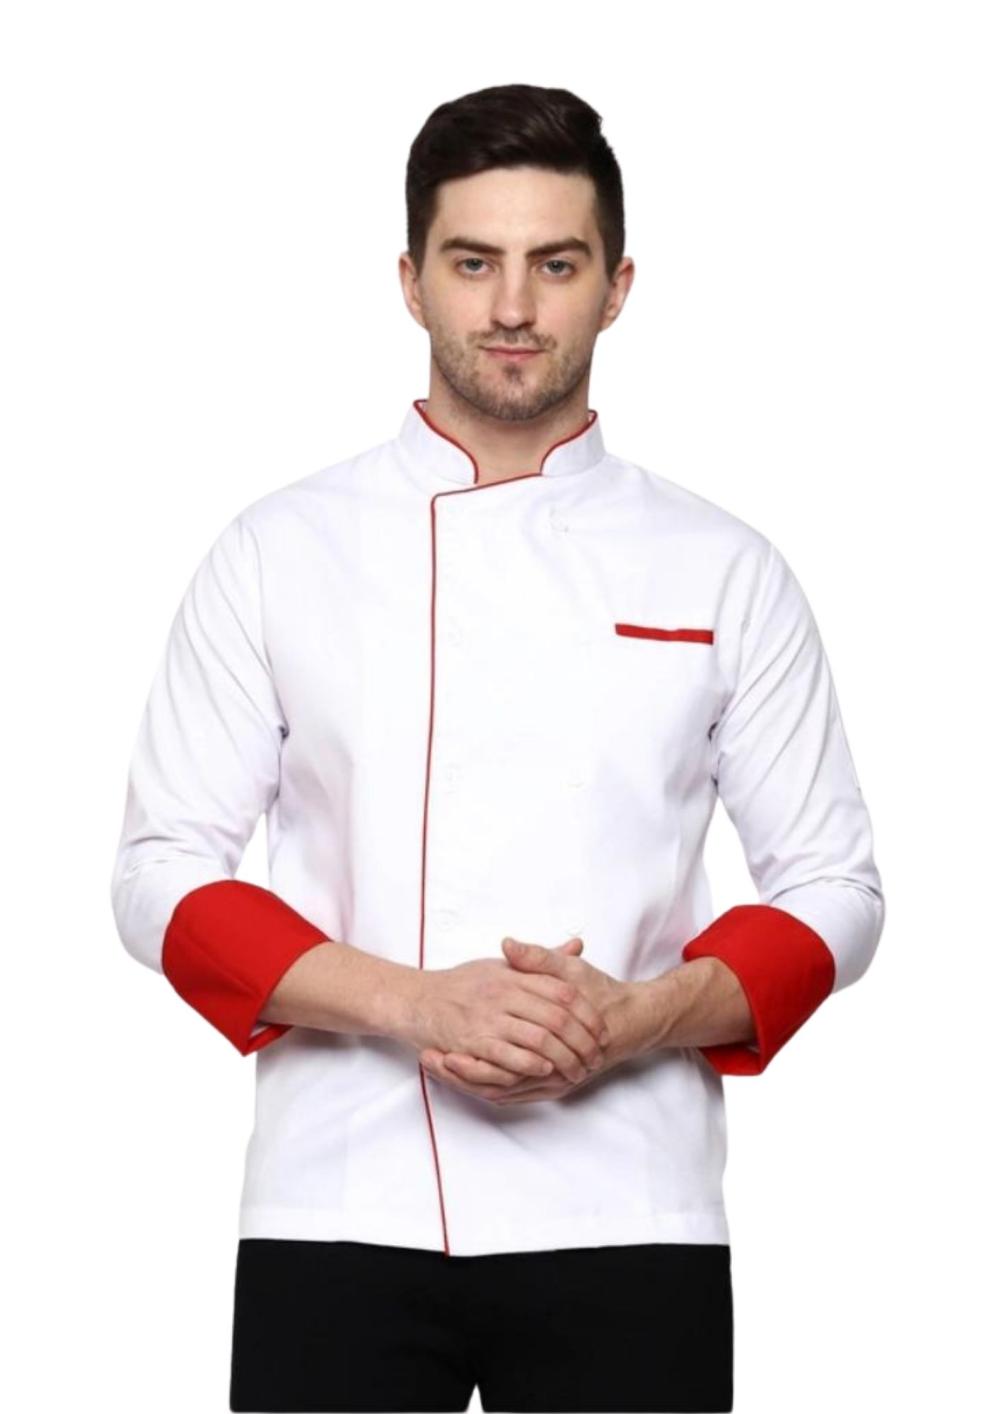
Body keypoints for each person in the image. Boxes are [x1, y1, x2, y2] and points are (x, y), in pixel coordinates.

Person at [110, 82, 885, 1414]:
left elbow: (836, 890)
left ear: (617, 287)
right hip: (339, 1202)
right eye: (474, 263)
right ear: (411, 281)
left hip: (631, 1209)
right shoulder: (278, 551)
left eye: (556, 265)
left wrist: (636, 1019)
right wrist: (417, 1003)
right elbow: (159, 875)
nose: (514, 306)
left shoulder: (723, 567)